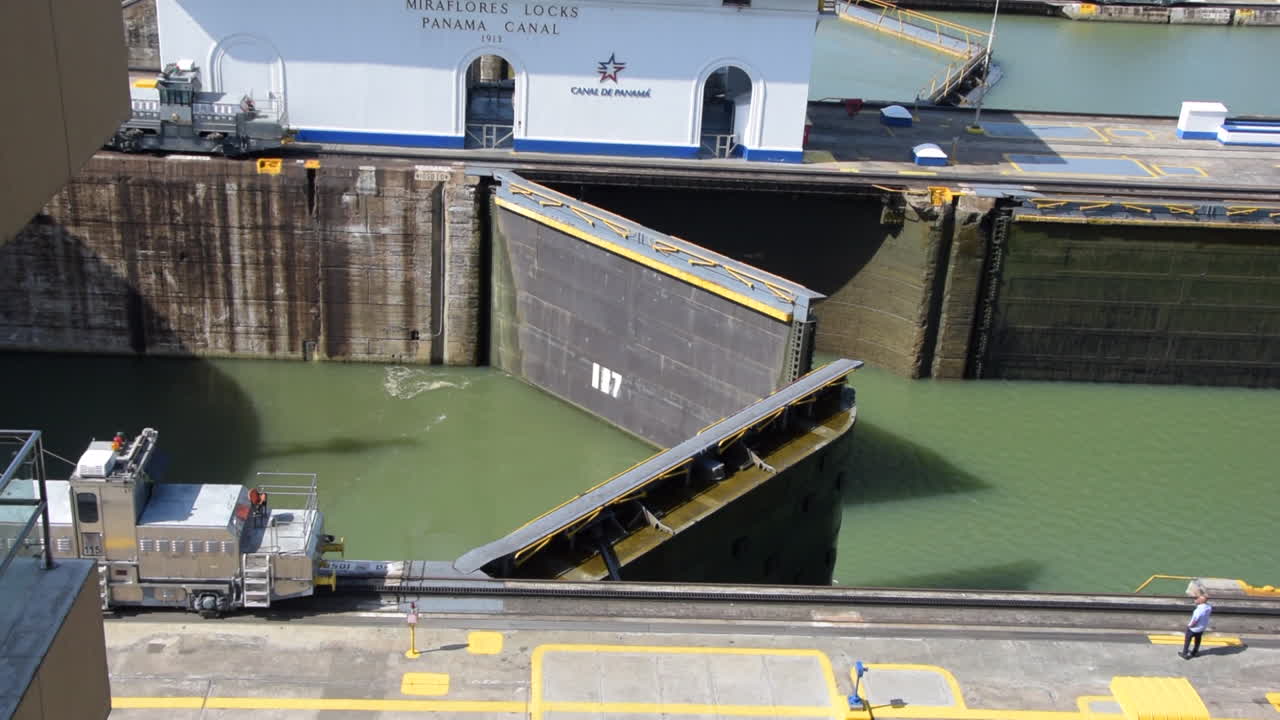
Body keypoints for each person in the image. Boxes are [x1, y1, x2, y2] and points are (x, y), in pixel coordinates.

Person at [1180, 594, 1213, 659]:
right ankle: (1195, 652)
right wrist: (1198, 602)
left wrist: (1190, 626)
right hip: (1202, 627)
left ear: (1201, 601)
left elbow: (1195, 620)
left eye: (1198, 599)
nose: (1196, 599)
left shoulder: (1198, 610)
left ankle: (1184, 654)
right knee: (1198, 640)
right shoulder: (1209, 607)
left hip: (1194, 629)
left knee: (1187, 640)